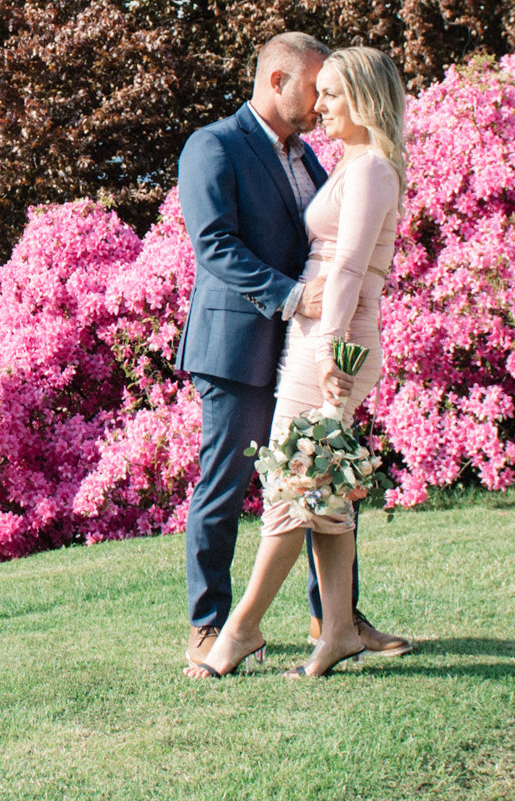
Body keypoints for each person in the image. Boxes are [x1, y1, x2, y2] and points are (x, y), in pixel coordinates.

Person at [172, 33, 410, 677]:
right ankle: (212, 624)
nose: (318, 103)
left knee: (318, 474)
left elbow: (348, 247)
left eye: (330, 92)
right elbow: (214, 244)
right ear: (277, 81)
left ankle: (334, 621)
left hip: (309, 344)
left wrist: (327, 325)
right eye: (312, 89)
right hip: (238, 342)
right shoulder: (214, 144)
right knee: (231, 485)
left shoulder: (322, 159)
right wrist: (293, 298)